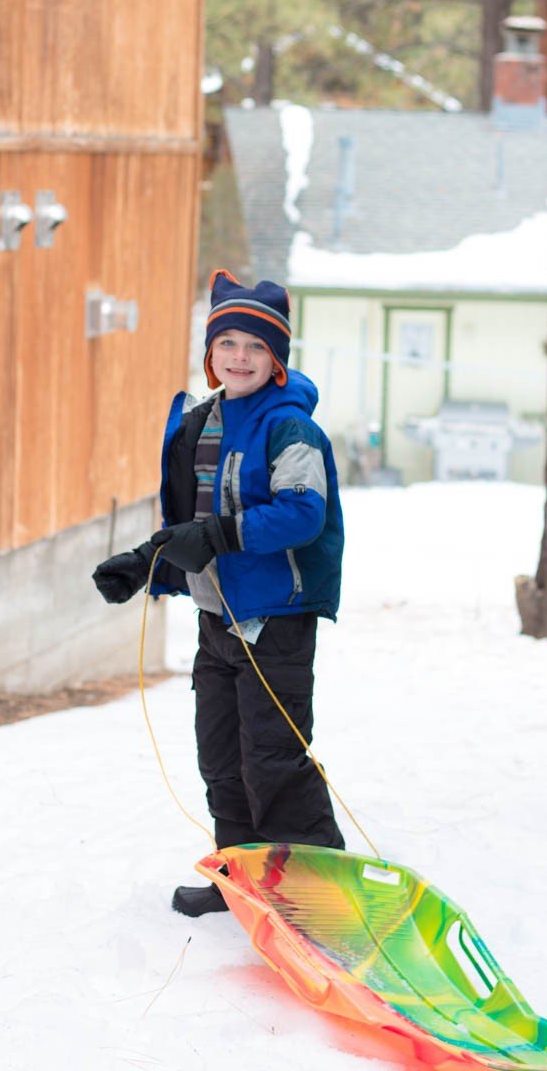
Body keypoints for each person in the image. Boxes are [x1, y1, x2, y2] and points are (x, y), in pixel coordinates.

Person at [93, 270, 345, 916]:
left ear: (277, 360)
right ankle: (244, 880)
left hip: (275, 620)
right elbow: (194, 520)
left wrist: (221, 534)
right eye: (227, 343)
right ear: (210, 354)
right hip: (216, 620)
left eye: (256, 347)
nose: (239, 357)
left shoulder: (290, 429)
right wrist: (145, 560)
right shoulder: (204, 422)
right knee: (223, 759)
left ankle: (325, 897)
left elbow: (302, 513)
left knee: (274, 762)